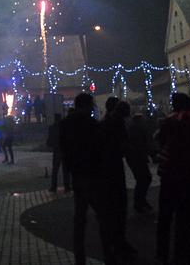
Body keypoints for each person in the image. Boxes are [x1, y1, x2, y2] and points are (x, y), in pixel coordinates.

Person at [60, 92, 117, 265]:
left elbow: (64, 150)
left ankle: (80, 258)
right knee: (103, 217)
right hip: (94, 174)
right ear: (87, 106)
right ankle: (108, 254)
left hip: (78, 174)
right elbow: (101, 149)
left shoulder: (65, 124)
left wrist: (69, 173)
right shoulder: (92, 124)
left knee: (80, 218)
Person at [156, 92, 190, 265]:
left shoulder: (168, 121)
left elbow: (160, 140)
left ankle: (162, 255)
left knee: (165, 217)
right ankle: (189, 255)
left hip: (169, 173)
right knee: (187, 218)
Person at [101, 98, 136, 261]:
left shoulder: (104, 122)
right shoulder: (117, 123)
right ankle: (118, 242)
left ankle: (112, 243)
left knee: (111, 207)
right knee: (119, 206)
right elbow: (124, 145)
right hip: (114, 167)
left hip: (106, 168)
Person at [126, 112, 153, 212]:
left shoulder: (134, 128)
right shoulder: (137, 129)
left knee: (143, 179)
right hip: (137, 158)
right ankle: (139, 201)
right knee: (144, 178)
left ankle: (140, 201)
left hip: (135, 158)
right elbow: (141, 144)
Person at [47, 112, 70, 192]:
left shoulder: (52, 127)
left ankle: (54, 186)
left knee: (55, 169)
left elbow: (50, 139)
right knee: (65, 170)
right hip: (64, 149)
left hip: (57, 150)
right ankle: (67, 186)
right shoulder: (64, 127)